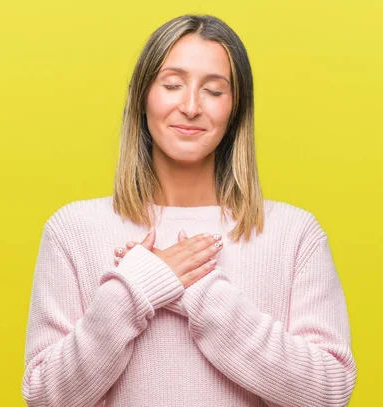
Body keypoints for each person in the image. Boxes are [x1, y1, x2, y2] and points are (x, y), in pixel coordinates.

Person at [21, 14, 357, 407]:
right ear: (143, 96)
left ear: (235, 111)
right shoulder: (73, 230)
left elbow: (329, 392)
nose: (191, 106)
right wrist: (136, 289)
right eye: (172, 85)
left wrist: (202, 294)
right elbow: (46, 397)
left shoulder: (294, 234)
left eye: (214, 91)